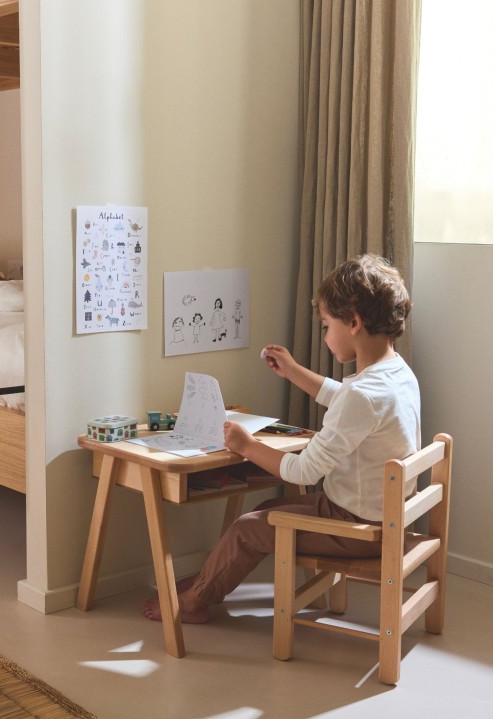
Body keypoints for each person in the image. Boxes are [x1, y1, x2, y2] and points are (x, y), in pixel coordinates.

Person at [143, 254, 420, 624]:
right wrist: (293, 372)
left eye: (326, 326)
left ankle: (195, 600)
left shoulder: (362, 395)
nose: (325, 336)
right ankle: (208, 581)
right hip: (385, 517)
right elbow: (345, 399)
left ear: (353, 322)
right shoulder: (397, 374)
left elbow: (303, 471)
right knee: (268, 511)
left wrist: (246, 446)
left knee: (248, 529)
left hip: (361, 529)